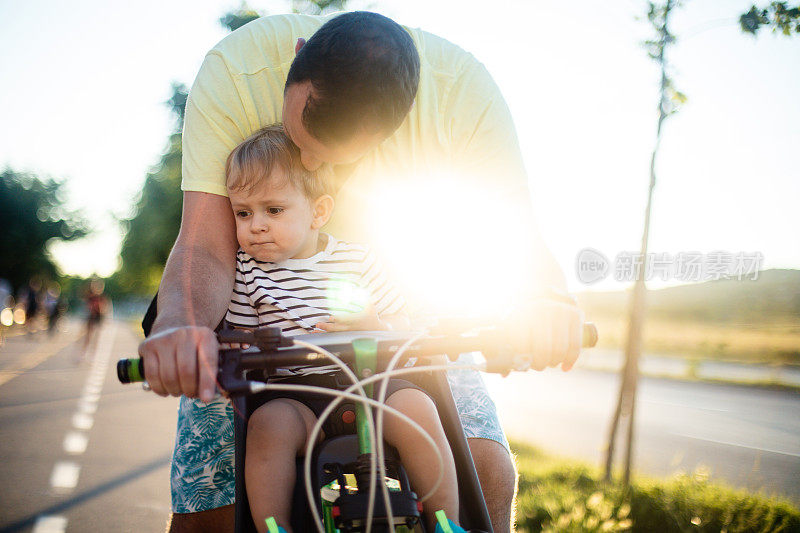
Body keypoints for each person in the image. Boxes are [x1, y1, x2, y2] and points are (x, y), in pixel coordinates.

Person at [141, 11, 585, 533]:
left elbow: (517, 235)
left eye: (329, 156)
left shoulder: (465, 95)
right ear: (299, 54)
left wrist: (546, 301)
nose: (304, 163)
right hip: (271, 360)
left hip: (395, 329)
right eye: (296, 136)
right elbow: (207, 248)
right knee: (209, 508)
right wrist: (181, 322)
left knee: (487, 474)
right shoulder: (235, 71)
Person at [212, 125, 463, 532]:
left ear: (319, 211)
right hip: (296, 396)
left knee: (417, 408)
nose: (255, 225)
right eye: (243, 212)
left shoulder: (359, 261)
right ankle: (274, 528)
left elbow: (405, 332)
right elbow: (236, 338)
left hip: (370, 387)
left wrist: (374, 324)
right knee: (267, 427)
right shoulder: (247, 271)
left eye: (273, 210)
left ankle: (446, 521)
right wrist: (228, 358)